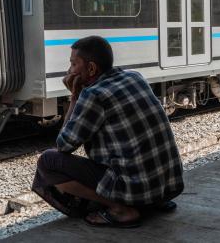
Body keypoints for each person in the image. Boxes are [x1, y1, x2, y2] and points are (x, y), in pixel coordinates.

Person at [32, 36, 184, 228]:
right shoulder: (135, 77)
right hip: (167, 187)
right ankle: (153, 202)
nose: (69, 71)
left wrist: (74, 98)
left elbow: (64, 145)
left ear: (92, 68)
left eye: (73, 64)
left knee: (48, 162)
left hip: (138, 189)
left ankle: (121, 210)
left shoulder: (93, 94)